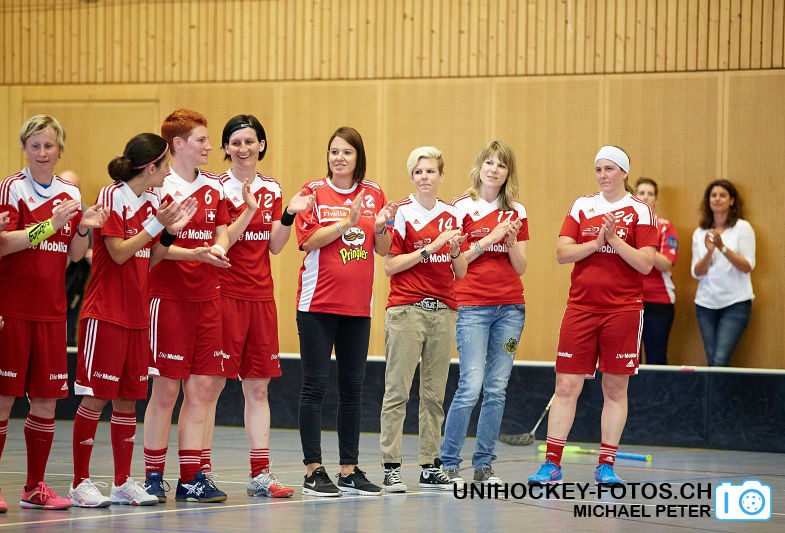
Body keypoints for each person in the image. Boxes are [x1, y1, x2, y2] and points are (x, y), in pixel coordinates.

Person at [69, 134, 196, 508]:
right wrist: (158, 226)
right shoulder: (113, 196)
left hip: (137, 315)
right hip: (105, 314)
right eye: (165, 164)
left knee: (128, 401)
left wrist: (169, 232)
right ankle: (79, 482)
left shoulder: (154, 201)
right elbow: (120, 253)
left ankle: (123, 482)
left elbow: (149, 258)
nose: (169, 171)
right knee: (96, 398)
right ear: (150, 167)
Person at [528, 146, 657, 487]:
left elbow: (645, 262)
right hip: (581, 308)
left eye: (609, 169)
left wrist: (614, 240)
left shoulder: (640, 211)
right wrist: (597, 242)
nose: (602, 175)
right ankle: (551, 463)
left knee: (614, 388)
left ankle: (606, 465)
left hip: (624, 311)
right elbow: (561, 253)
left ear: (624, 173)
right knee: (566, 385)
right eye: (598, 169)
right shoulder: (582, 205)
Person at [0, 115, 107, 511]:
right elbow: (3, 244)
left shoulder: (70, 194)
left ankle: (34, 488)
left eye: (49, 146)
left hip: (52, 311)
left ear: (60, 148)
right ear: (24, 149)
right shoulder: (12, 189)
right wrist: (48, 225)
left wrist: (83, 228)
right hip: (13, 308)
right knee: (4, 398)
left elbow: (75, 255)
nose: (42, 153)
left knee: (45, 401)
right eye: (35, 146)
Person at [142, 109, 239, 504]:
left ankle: (190, 477)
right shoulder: (157, 188)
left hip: (207, 300)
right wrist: (195, 255)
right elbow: (151, 252)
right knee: (165, 390)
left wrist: (217, 248)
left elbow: (220, 232)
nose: (209, 147)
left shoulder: (214, 189)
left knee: (200, 389)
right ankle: (151, 475)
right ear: (178, 144)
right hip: (168, 301)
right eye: (201, 140)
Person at [295, 126, 397, 497]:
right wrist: (346, 223)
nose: (339, 157)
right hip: (317, 305)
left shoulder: (374, 193)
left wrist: (381, 226)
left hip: (358, 308)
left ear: (358, 157)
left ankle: (348, 469)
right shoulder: (312, 192)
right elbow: (306, 241)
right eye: (334, 151)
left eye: (347, 152)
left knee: (353, 389)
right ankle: (312, 470)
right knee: (315, 387)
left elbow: (383, 248)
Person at [218, 114, 314, 498]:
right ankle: (200, 470)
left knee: (258, 389)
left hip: (261, 297)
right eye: (236, 142)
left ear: (261, 145)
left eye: (250, 141)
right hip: (223, 295)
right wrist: (248, 210)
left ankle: (260, 473)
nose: (243, 148)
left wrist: (288, 213)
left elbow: (274, 245)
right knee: (208, 389)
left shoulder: (272, 187)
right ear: (225, 148)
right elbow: (223, 241)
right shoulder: (216, 187)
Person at [439, 141, 528, 486]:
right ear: (479, 167)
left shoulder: (517, 211)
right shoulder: (459, 208)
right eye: (489, 162)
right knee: (470, 385)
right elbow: (455, 263)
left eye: (501, 165)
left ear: (508, 173)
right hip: (472, 307)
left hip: (510, 309)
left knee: (496, 388)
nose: (494, 169)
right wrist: (489, 238)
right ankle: (448, 462)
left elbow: (521, 266)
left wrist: (508, 244)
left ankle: (484, 465)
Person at [379, 147, 467, 493]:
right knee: (397, 391)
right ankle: (391, 465)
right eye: (418, 172)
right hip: (407, 310)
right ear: (411, 177)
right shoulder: (401, 213)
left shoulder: (453, 214)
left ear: (441, 176)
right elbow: (390, 264)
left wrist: (456, 250)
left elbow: (460, 271)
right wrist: (431, 248)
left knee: (433, 394)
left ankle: (430, 465)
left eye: (430, 171)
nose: (424, 177)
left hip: (443, 311)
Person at [690, 179, 755, 367]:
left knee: (720, 360)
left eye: (722, 195)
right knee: (712, 361)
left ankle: (720, 398)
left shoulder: (742, 228)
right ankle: (717, 397)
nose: (717, 199)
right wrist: (710, 251)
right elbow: (696, 272)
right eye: (713, 195)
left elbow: (747, 265)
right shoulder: (700, 232)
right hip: (705, 304)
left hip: (735, 303)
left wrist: (722, 247)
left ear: (732, 200)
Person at [635, 178, 679, 365]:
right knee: (628, 362)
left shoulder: (665, 227)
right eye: (641, 193)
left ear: (656, 199)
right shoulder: (626, 227)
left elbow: (666, 264)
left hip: (658, 302)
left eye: (650, 193)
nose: (646, 197)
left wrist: (643, 248)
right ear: (634, 197)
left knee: (656, 358)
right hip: (628, 301)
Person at [61, 170, 92, 347]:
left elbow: (98, 256)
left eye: (73, 189)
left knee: (68, 331)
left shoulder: (87, 215)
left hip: (75, 281)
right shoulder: (48, 212)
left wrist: (87, 253)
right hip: (46, 280)